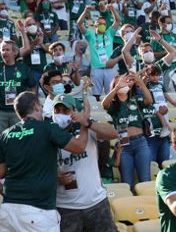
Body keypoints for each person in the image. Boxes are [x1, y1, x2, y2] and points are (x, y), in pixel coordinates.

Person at [0, 91, 89, 232]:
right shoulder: (48, 128)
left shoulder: (5, 135)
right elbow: (79, 147)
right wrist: (85, 124)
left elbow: (1, 173)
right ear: (36, 106)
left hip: (7, 210)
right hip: (38, 211)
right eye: (40, 105)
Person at [53, 94, 118, 232]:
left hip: (96, 203)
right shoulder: (48, 132)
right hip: (66, 207)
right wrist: (57, 178)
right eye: (57, 111)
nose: (60, 115)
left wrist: (87, 122)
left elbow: (113, 133)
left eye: (66, 111)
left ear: (74, 111)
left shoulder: (87, 125)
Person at [102, 72, 153, 189]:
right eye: (120, 81)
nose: (124, 83)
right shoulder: (114, 105)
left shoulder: (136, 99)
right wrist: (116, 88)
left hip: (141, 143)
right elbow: (104, 104)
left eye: (125, 81)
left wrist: (140, 82)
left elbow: (149, 100)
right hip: (124, 146)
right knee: (127, 182)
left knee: (145, 180)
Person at [77, 4, 120, 101]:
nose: (103, 25)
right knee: (96, 94)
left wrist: (112, 9)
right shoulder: (90, 34)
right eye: (100, 23)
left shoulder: (110, 33)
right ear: (95, 24)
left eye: (104, 24)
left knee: (111, 93)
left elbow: (117, 20)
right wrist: (85, 11)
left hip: (109, 68)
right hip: (96, 69)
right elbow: (79, 24)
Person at [0, 40, 36, 131]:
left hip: (18, 112)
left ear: (15, 52)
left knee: (17, 139)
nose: (4, 52)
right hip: (1, 112)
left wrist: (30, 103)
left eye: (7, 50)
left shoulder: (23, 68)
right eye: (2, 50)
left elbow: (33, 86)